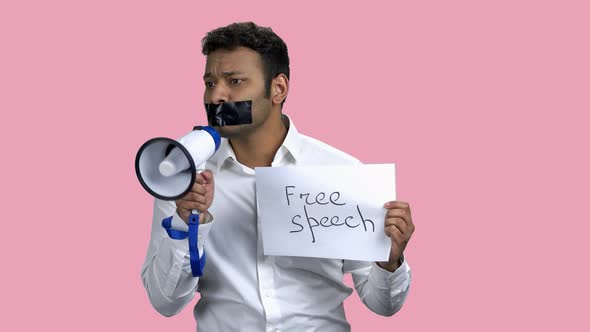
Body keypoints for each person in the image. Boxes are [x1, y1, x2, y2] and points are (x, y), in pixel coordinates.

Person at [141, 22, 415, 332]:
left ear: (278, 89)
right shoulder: (181, 179)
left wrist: (390, 260)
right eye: (209, 82)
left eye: (234, 81)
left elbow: (383, 305)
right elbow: (165, 302)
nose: (216, 96)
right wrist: (185, 223)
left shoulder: (342, 173)